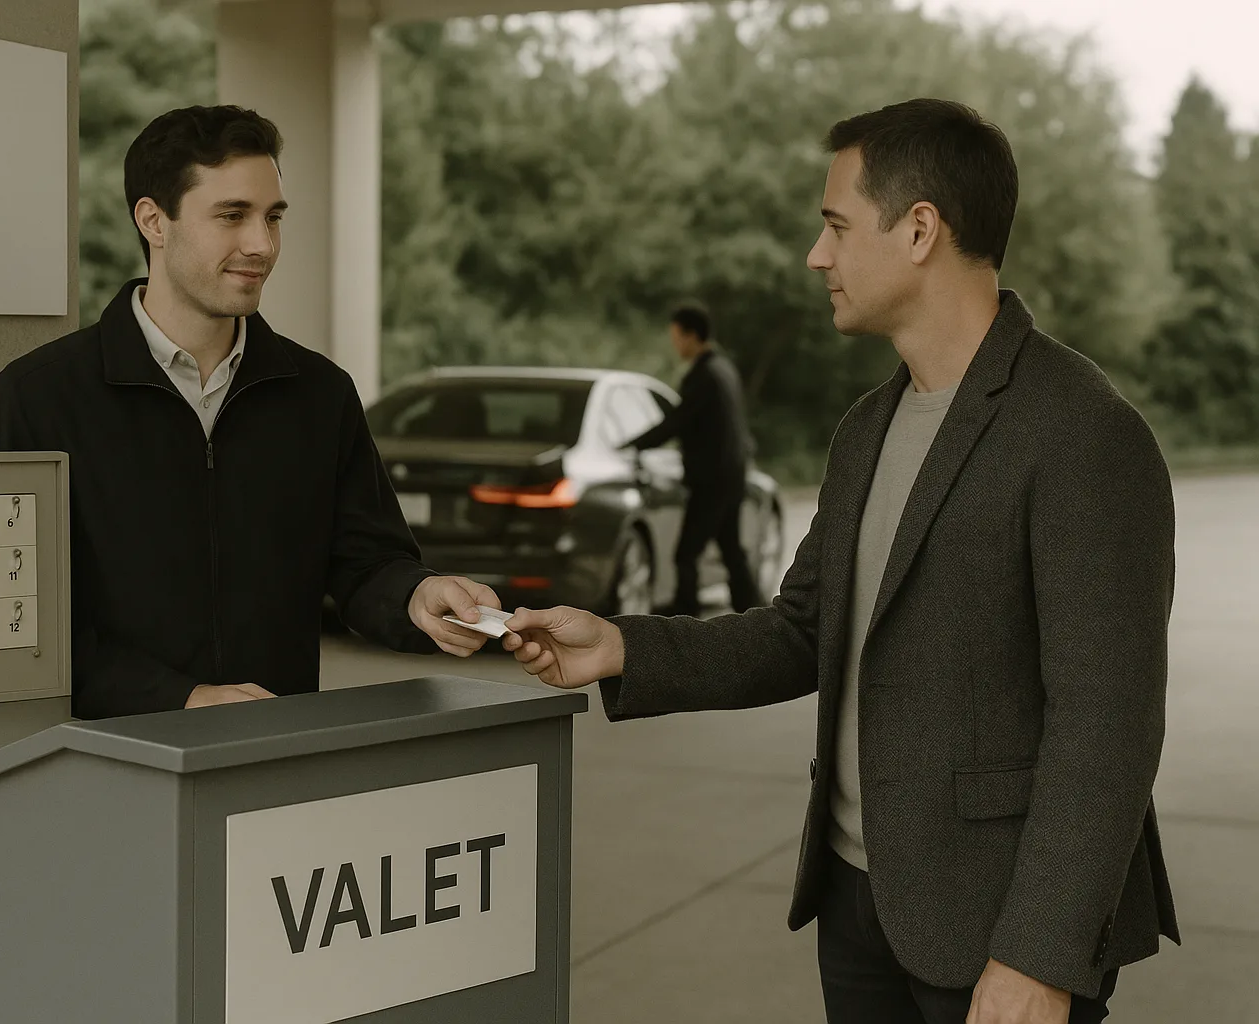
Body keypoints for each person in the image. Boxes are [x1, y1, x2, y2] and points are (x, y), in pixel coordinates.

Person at [500, 98, 1179, 1024]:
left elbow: (1108, 728)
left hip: (996, 933)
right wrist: (617, 646)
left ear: (920, 231)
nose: (817, 255)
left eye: (834, 225)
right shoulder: (866, 430)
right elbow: (801, 630)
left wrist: (1040, 955)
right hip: (856, 907)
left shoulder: (1083, 433)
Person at [0, 104, 499, 719]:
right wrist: (177, 699)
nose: (262, 244)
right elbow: (11, 615)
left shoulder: (320, 393)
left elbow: (365, 563)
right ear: (154, 220)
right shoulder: (38, 398)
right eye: (232, 216)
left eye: (272, 217)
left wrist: (416, 595)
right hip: (99, 766)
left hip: (271, 758)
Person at [627, 304, 762, 615]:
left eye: (676, 337)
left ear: (691, 336)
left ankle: (685, 618)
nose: (675, 345)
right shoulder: (724, 368)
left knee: (686, 554)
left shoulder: (704, 375)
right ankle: (753, 614)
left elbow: (677, 422)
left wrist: (633, 445)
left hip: (712, 480)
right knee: (731, 552)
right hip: (732, 474)